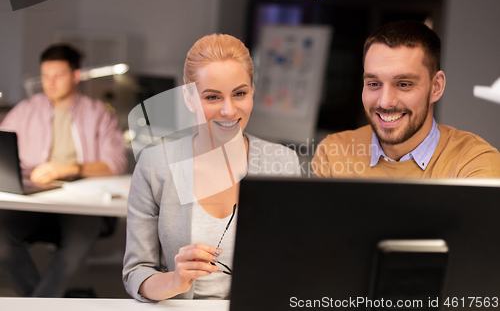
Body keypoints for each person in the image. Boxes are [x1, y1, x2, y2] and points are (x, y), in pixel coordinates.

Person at [122, 34, 300, 301]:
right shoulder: (156, 165)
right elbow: (136, 272)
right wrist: (174, 281)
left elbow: (294, 263)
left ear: (253, 90)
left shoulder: (283, 164)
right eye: (213, 97)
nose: (228, 110)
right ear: (189, 98)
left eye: (239, 93)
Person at [0, 44, 127, 297]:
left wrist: (69, 168)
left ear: (75, 75)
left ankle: (36, 304)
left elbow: (115, 163)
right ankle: (44, 303)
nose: (50, 83)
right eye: (45, 76)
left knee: (74, 250)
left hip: (80, 202)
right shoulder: (26, 110)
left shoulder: (98, 113)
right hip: (35, 196)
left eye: (57, 76)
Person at [312, 20, 500, 178]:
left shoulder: (474, 162)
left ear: (436, 87)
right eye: (374, 84)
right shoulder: (333, 153)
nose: (385, 102)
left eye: (403, 84)